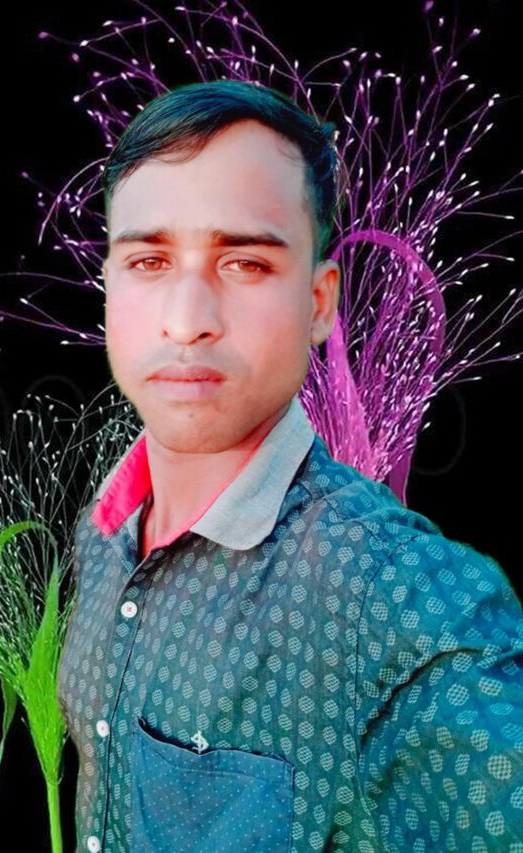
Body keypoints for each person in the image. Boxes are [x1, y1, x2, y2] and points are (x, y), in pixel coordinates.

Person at [57, 80, 523, 853]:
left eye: (244, 263)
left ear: (319, 301)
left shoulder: (401, 598)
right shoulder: (101, 532)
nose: (186, 319)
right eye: (149, 260)